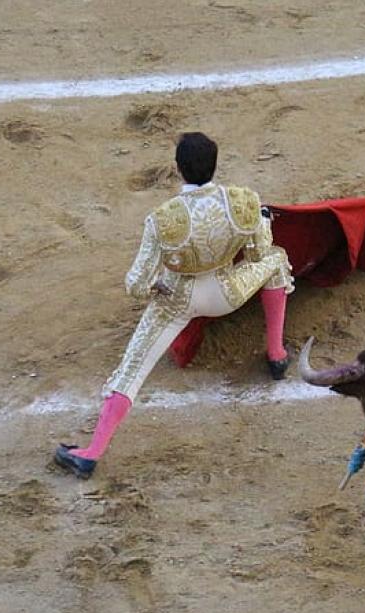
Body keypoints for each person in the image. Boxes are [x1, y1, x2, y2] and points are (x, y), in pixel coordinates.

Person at [54, 132, 294, 479]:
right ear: (215, 165)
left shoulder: (163, 219)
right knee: (275, 260)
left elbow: (135, 284)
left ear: (178, 169)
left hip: (178, 301)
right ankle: (276, 355)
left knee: (132, 369)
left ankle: (91, 453)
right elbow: (258, 252)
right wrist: (264, 221)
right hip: (228, 293)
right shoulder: (244, 202)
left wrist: (158, 288)